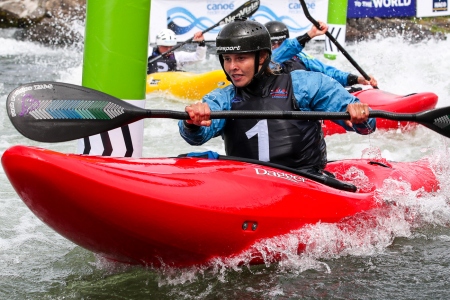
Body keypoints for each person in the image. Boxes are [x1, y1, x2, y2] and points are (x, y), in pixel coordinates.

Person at [178, 18, 376, 174]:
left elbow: (368, 127)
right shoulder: (224, 97)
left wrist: (358, 115)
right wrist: (191, 122)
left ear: (262, 57)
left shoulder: (305, 84)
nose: (232, 67)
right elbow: (196, 137)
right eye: (227, 59)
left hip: (306, 180)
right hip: (247, 182)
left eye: (241, 58)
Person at [265, 20, 378, 88]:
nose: (278, 46)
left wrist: (357, 79)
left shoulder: (300, 57)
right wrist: (309, 35)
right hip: (280, 102)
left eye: (281, 43)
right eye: (273, 43)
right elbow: (279, 54)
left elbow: (328, 72)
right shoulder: (263, 63)